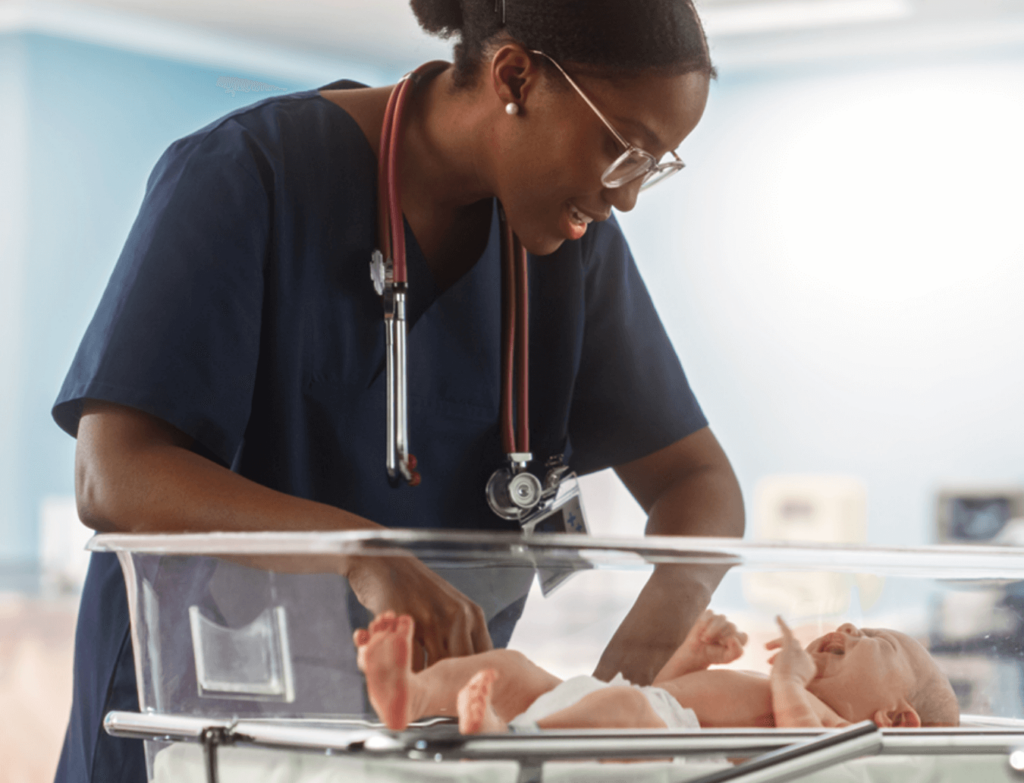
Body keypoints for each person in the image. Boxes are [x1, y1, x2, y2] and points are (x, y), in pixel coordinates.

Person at [52, 1, 745, 780]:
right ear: (514, 76)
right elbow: (114, 474)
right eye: (623, 148)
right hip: (198, 732)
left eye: (654, 164)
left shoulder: (568, 249)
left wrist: (612, 700)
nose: (627, 195)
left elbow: (701, 485)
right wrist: (361, 551)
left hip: (410, 752)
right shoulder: (249, 173)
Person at [355, 610, 961, 732]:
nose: (852, 629)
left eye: (879, 642)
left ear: (896, 719)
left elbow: (793, 734)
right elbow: (665, 694)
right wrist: (692, 654)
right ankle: (414, 692)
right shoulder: (781, 690)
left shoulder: (834, 738)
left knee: (622, 712)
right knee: (512, 667)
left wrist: (789, 678)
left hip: (639, 733)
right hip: (632, 706)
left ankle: (503, 742)